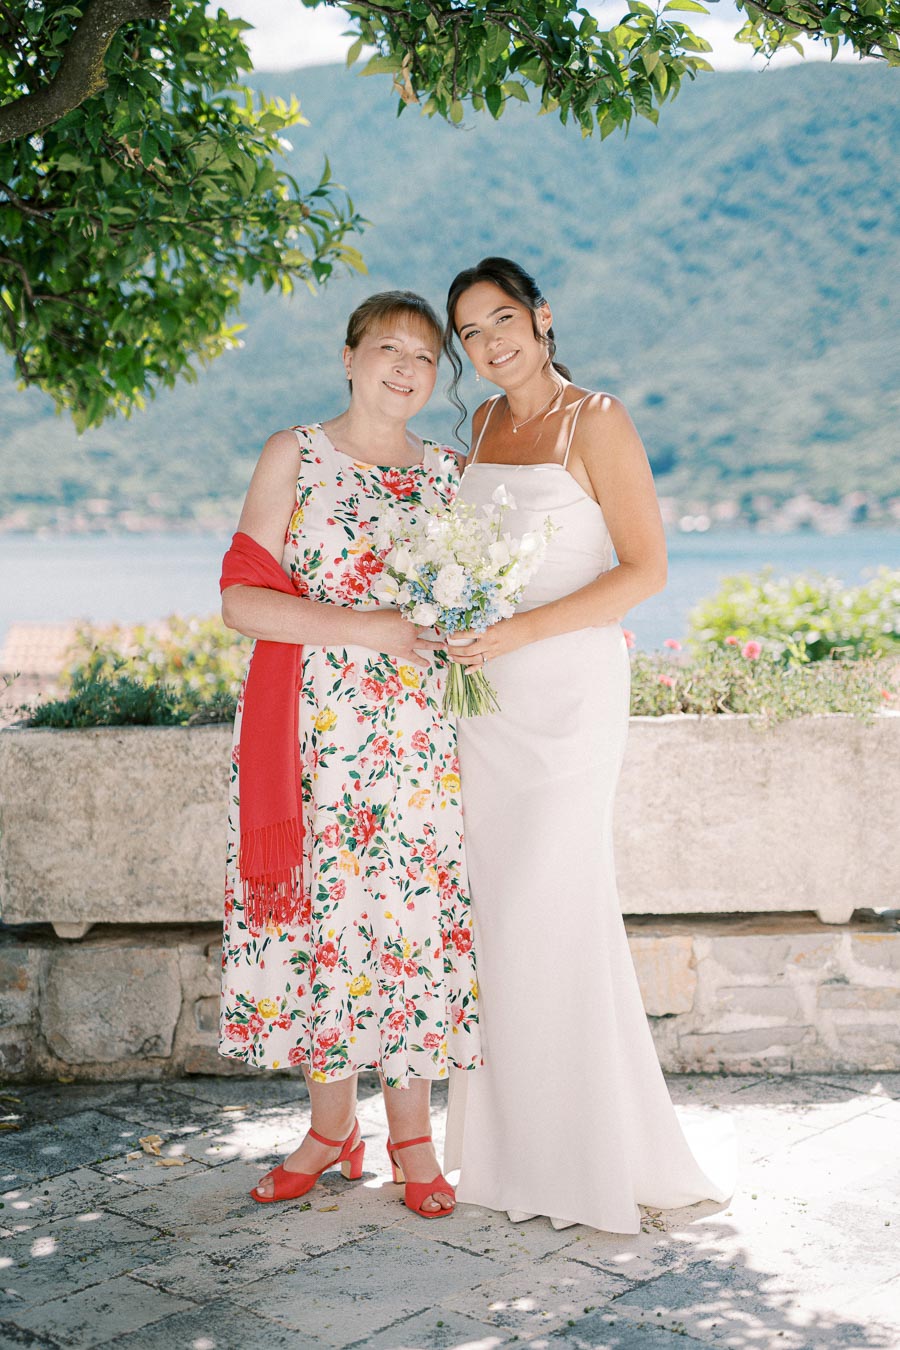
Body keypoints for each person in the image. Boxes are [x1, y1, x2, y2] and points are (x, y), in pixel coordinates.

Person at [441, 257, 732, 1233]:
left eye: (502, 320)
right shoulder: (477, 427)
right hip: (482, 702)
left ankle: (590, 1160)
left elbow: (645, 569)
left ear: (542, 317)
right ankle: (508, 1159)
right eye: (470, 333)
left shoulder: (595, 420)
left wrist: (521, 632)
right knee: (498, 918)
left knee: (553, 905)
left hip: (565, 697)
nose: (489, 344)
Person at [219, 290, 481, 1219]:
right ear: (348, 357)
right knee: (321, 928)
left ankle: (414, 1138)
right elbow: (243, 601)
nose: (406, 367)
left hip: (416, 745)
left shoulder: (451, 474)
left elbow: (476, 605)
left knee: (408, 926)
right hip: (312, 739)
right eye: (387, 348)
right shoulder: (296, 453)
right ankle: (332, 1129)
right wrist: (366, 626)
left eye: (425, 356)